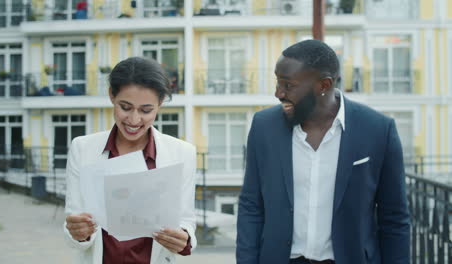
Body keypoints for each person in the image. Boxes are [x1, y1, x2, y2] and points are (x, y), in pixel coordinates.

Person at [236, 40, 410, 264]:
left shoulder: (378, 130)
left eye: (288, 85)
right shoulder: (264, 126)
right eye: (278, 82)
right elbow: (251, 205)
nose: (278, 93)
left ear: (324, 85)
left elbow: (394, 218)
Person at [63, 57, 197, 264]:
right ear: (111, 96)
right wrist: (78, 232)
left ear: (160, 104)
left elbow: (186, 220)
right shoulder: (82, 149)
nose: (134, 120)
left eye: (146, 110)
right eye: (125, 107)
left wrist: (184, 239)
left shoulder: (182, 153)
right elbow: (74, 222)